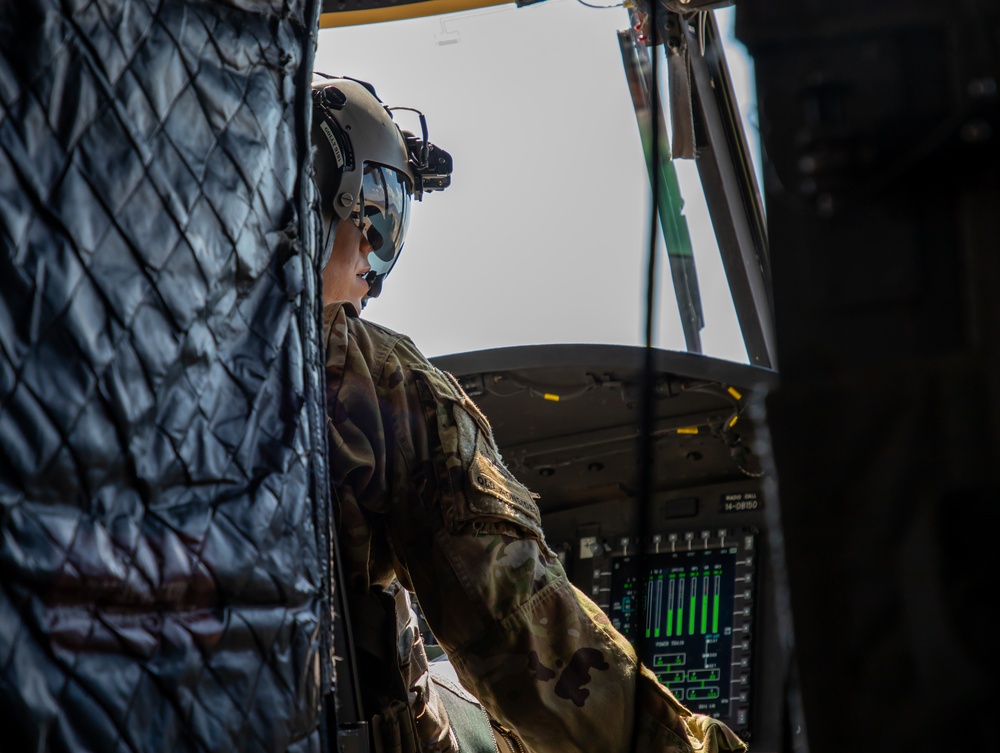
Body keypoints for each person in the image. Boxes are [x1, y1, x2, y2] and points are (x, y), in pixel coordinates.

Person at [311, 75, 747, 753]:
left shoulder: (125, 364)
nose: (373, 250)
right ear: (337, 200)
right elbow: (525, 641)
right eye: (380, 214)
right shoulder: (373, 377)